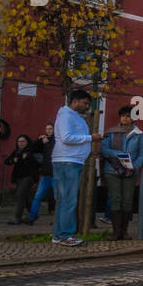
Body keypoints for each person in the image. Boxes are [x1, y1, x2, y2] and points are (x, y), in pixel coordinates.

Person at [52, 89, 100, 246]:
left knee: (64, 200)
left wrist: (88, 151)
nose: (87, 106)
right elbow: (66, 138)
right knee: (69, 200)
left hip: (71, 160)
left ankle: (59, 235)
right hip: (68, 162)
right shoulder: (67, 115)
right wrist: (90, 138)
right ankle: (66, 235)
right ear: (75, 101)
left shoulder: (73, 116)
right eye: (85, 103)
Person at [100, 105, 143, 239]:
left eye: (128, 116)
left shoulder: (138, 134)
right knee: (115, 199)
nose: (125, 118)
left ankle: (124, 232)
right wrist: (118, 154)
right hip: (112, 169)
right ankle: (116, 232)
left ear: (133, 118)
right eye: (123, 116)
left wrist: (135, 165)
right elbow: (104, 149)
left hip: (130, 171)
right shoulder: (111, 132)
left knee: (127, 201)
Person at [4, 134, 39, 225]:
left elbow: (37, 164)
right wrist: (13, 160)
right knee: (25, 196)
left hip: (29, 176)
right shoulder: (16, 151)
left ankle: (17, 217)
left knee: (20, 195)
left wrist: (27, 158)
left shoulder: (31, 151)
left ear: (27, 142)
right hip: (18, 177)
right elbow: (7, 161)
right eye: (19, 141)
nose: (21, 143)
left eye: (23, 141)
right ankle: (34, 214)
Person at [26, 123, 56, 222]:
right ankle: (31, 218)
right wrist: (39, 140)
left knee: (57, 198)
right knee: (38, 196)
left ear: (54, 130)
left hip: (55, 174)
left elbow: (52, 152)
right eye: (46, 129)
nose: (48, 131)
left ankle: (57, 220)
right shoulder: (43, 140)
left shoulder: (56, 140)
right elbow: (31, 148)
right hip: (45, 174)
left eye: (50, 129)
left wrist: (47, 143)